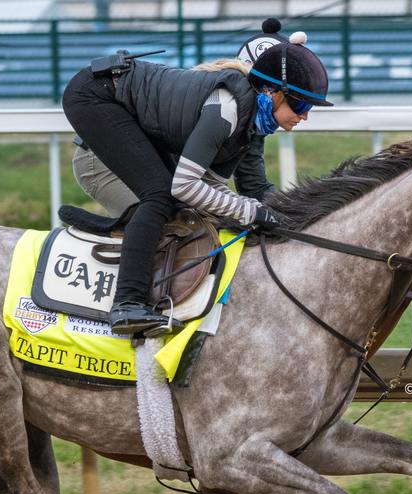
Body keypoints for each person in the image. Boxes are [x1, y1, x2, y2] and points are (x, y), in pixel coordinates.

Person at [62, 28, 332, 336]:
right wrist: (251, 212)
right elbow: (184, 186)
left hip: (118, 97)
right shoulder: (227, 110)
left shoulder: (249, 125)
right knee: (159, 197)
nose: (305, 117)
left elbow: (212, 185)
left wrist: (256, 209)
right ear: (273, 93)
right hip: (96, 94)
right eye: (301, 107)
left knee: (183, 207)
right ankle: (127, 304)